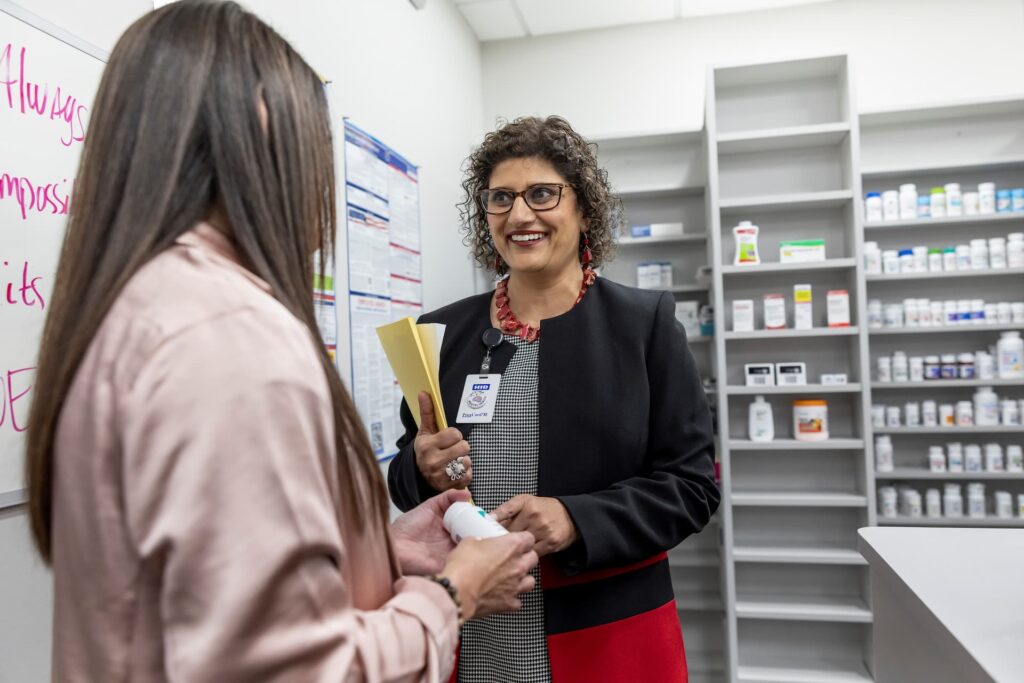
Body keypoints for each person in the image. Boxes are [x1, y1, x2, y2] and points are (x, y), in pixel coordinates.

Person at [24, 3, 537, 681]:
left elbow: (220, 590)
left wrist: (381, 551)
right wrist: (450, 594)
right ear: (262, 130)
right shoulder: (231, 338)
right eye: (311, 151)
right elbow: (288, 665)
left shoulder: (143, 305)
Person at [388, 115, 720, 682]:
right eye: (501, 199)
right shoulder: (441, 334)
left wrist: (576, 518)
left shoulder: (645, 326)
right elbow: (406, 472)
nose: (520, 215)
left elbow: (691, 487)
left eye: (542, 193)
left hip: (603, 636)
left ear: (584, 208)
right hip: (469, 625)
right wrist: (422, 469)